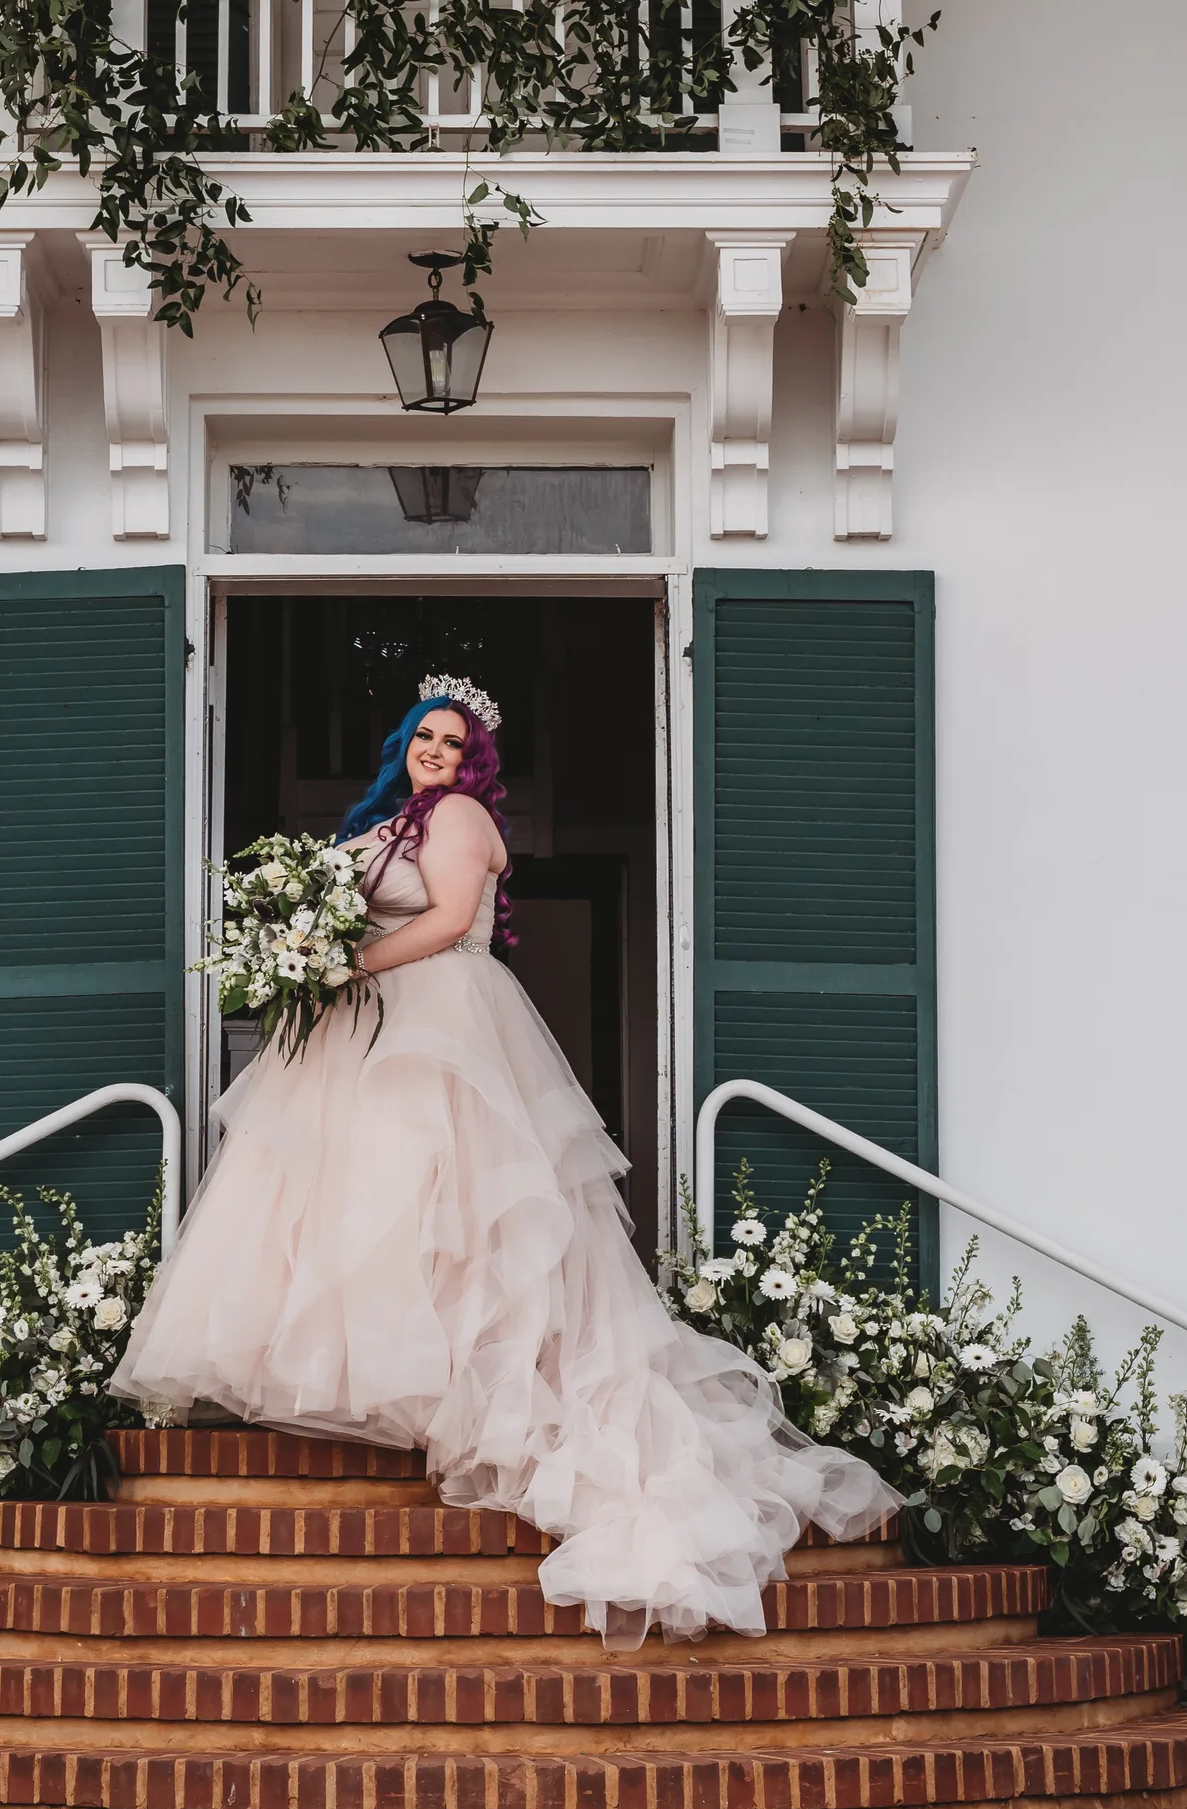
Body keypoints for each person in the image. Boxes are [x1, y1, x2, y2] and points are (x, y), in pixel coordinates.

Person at [110, 673, 899, 1638]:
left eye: (454, 743)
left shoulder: (460, 818)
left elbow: (443, 922)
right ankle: (396, 1377)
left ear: (476, 759)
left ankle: (461, 1385)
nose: (436, 753)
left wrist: (339, 966)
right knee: (360, 1198)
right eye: (424, 738)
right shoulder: (394, 818)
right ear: (404, 741)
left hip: (437, 1019)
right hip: (363, 1028)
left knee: (443, 1195)